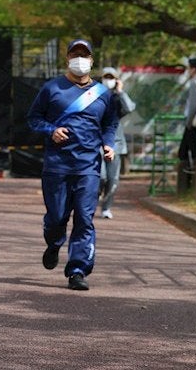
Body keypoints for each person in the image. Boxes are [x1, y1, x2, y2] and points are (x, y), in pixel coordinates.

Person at [27, 39, 117, 292]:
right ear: (67, 59)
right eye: (75, 54)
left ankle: (77, 270)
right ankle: (54, 243)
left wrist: (108, 144)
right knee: (57, 217)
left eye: (84, 55)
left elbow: (110, 124)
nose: (80, 59)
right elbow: (34, 118)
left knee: (85, 219)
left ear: (91, 60)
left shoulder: (103, 94)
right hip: (57, 166)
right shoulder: (51, 88)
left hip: (88, 166)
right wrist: (51, 130)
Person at [97, 67, 135, 219]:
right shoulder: (95, 95)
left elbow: (129, 108)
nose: (108, 80)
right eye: (105, 77)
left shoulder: (118, 97)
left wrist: (120, 91)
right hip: (97, 143)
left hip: (116, 144)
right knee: (100, 177)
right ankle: (93, 199)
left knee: (112, 179)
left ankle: (106, 208)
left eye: (111, 77)